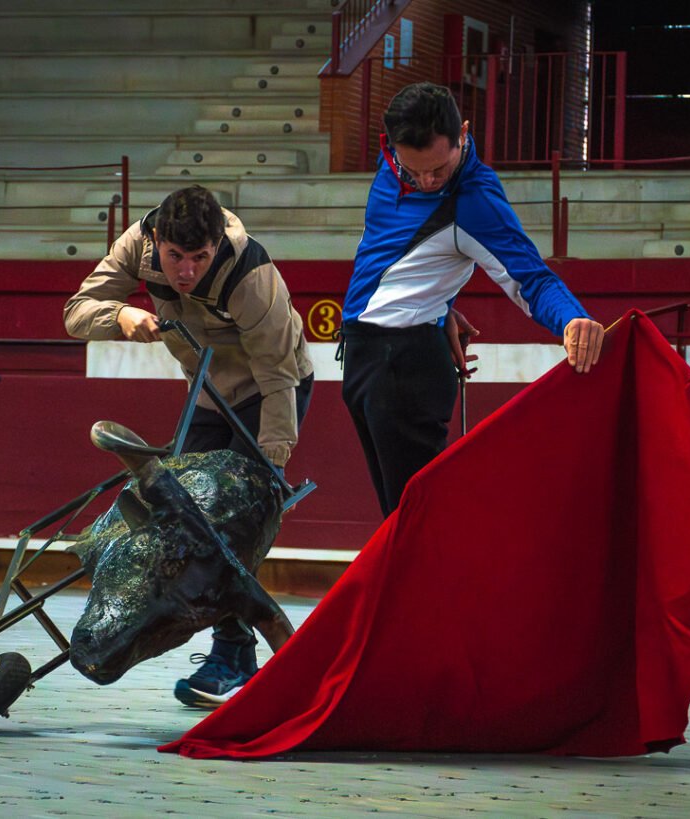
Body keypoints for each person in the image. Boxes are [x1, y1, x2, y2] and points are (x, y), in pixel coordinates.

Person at [64, 184, 313, 706]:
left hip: (271, 390)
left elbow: (278, 377)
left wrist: (271, 468)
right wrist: (120, 316)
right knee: (180, 515)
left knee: (225, 525)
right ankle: (219, 649)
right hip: (207, 390)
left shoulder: (252, 275)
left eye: (199, 257)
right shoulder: (136, 243)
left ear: (216, 243)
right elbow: (76, 312)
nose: (186, 271)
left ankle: (230, 656)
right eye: (175, 256)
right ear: (157, 239)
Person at [340, 82, 604, 517]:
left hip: (402, 367)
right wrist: (440, 306)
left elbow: (532, 279)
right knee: (400, 520)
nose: (426, 182)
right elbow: (402, 259)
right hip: (365, 357)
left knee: (418, 523)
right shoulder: (393, 163)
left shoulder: (474, 199)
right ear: (391, 146)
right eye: (414, 171)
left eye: (438, 169)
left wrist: (572, 319)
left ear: (463, 134)